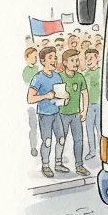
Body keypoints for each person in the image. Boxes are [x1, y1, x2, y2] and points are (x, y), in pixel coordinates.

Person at [28, 48, 67, 178]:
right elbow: (30, 98)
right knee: (47, 141)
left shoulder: (57, 76)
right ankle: (45, 165)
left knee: (61, 139)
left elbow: (60, 97)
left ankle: (58, 163)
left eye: (55, 57)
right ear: (43, 61)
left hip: (56, 113)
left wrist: (64, 99)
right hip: (45, 115)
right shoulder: (38, 78)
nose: (54, 60)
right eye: (50, 58)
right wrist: (45, 96)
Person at [58, 49, 91, 176]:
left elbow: (85, 94)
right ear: (65, 63)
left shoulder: (80, 77)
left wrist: (84, 110)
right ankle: (58, 162)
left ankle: (79, 165)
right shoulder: (60, 77)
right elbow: (56, 97)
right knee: (61, 139)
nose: (75, 63)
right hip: (62, 115)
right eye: (72, 60)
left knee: (79, 140)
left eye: (77, 60)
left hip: (76, 114)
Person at [82, 48, 102, 161]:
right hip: (89, 105)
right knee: (89, 129)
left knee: (100, 129)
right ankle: (92, 151)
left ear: (97, 58)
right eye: (86, 59)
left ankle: (101, 150)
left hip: (99, 105)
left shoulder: (101, 72)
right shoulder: (85, 74)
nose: (88, 61)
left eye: (91, 58)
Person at [23, 48, 40, 157]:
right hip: (32, 105)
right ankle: (33, 146)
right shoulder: (25, 71)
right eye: (34, 56)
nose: (35, 59)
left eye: (36, 56)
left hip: (41, 102)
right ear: (27, 58)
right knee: (33, 126)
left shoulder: (39, 68)